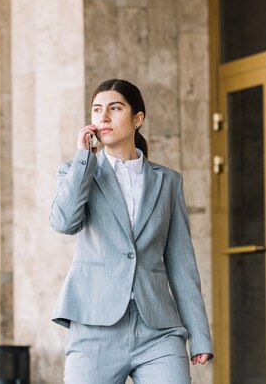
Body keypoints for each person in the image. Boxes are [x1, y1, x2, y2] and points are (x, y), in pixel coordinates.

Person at [49, 79, 213, 383]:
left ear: (138, 119)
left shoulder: (168, 182)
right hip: (95, 331)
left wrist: (199, 334)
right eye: (97, 110)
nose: (104, 117)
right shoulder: (77, 171)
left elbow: (181, 264)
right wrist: (84, 158)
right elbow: (64, 222)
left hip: (158, 330)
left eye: (115, 108)